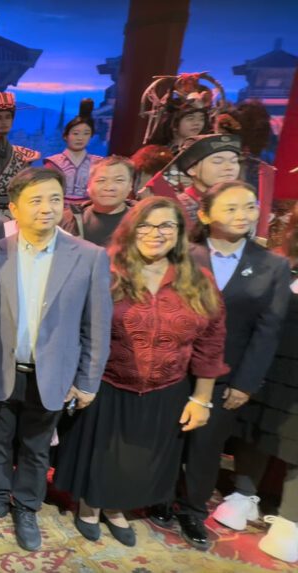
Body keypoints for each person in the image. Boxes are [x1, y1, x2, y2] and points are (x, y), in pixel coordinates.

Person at [53, 196, 228, 547]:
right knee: (99, 452)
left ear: (179, 233)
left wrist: (202, 399)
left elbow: (211, 342)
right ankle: (89, 506)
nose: (156, 233)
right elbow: (76, 325)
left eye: (166, 225)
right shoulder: (107, 270)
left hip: (167, 387)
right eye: (147, 225)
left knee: (139, 459)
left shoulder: (198, 278)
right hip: (106, 383)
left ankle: (115, 509)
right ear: (132, 230)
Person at [0, 167, 112, 552]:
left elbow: (96, 326)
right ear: (14, 209)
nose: (47, 208)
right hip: (0, 370)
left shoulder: (88, 257)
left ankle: (27, 506)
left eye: (54, 199)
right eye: (35, 200)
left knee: (35, 447)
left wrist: (87, 381)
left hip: (52, 374)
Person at [154, 181, 292, 550]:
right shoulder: (184, 254)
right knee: (168, 438)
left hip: (226, 375)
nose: (242, 215)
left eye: (249, 207)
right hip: (173, 367)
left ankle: (193, 509)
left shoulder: (271, 265)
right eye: (230, 208)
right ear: (205, 214)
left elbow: (268, 331)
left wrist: (246, 383)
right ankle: (161, 498)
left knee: (206, 444)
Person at [229, 202, 298, 563]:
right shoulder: (279, 265)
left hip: (281, 375)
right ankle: (244, 495)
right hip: (268, 368)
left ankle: (288, 519)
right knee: (258, 429)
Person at [143, 134, 242, 228]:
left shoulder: (244, 204)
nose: (230, 167)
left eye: (234, 161)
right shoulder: (176, 208)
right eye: (218, 161)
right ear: (192, 169)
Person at [59, 156, 136, 247]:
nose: (109, 187)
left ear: (130, 185)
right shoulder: (66, 220)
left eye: (119, 180)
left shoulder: (144, 219)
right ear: (88, 185)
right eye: (101, 180)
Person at [44, 99, 101, 205]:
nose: (80, 138)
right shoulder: (53, 162)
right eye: (75, 133)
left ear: (91, 136)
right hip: (59, 209)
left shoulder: (99, 163)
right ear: (66, 136)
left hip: (89, 210)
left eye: (86, 133)